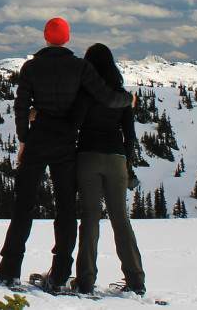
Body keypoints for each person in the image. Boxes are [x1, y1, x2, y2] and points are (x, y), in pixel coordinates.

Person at [0, 18, 134, 291]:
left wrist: (25, 138)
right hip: (66, 144)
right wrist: (128, 100)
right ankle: (60, 275)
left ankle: (9, 270)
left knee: (24, 205)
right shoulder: (81, 67)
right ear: (68, 38)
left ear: (45, 36)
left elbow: (21, 106)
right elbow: (107, 98)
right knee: (65, 209)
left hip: (38, 140)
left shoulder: (31, 67)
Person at [69, 43, 145, 295]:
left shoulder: (85, 94)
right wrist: (128, 162)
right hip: (116, 159)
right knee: (120, 218)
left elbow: (74, 127)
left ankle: (85, 281)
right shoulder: (121, 95)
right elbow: (130, 135)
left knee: (90, 218)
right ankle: (135, 279)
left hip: (88, 156)